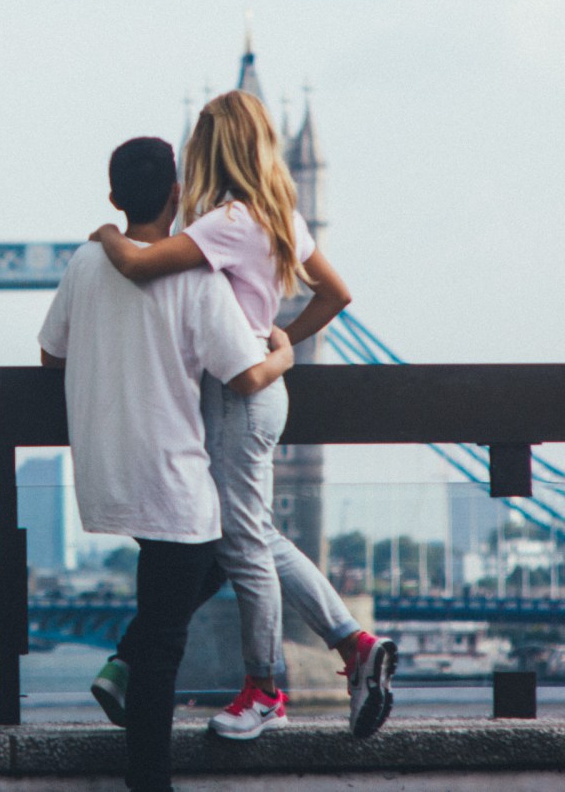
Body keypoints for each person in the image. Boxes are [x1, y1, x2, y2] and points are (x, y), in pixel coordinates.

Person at [88, 90, 396, 740]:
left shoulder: (224, 223)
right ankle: (354, 643)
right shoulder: (280, 212)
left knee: (243, 544)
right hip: (260, 392)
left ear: (209, 150)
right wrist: (284, 337)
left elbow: (141, 267)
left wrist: (110, 234)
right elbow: (336, 293)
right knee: (253, 534)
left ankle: (264, 687)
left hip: (235, 392)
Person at [39, 136, 294, 792]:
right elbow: (244, 375)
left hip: (103, 469)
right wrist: (286, 352)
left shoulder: (84, 261)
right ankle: (148, 776)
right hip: (175, 478)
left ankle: (121, 663)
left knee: (169, 605)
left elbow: (51, 355)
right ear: (179, 196)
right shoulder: (196, 276)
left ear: (115, 198)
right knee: (173, 629)